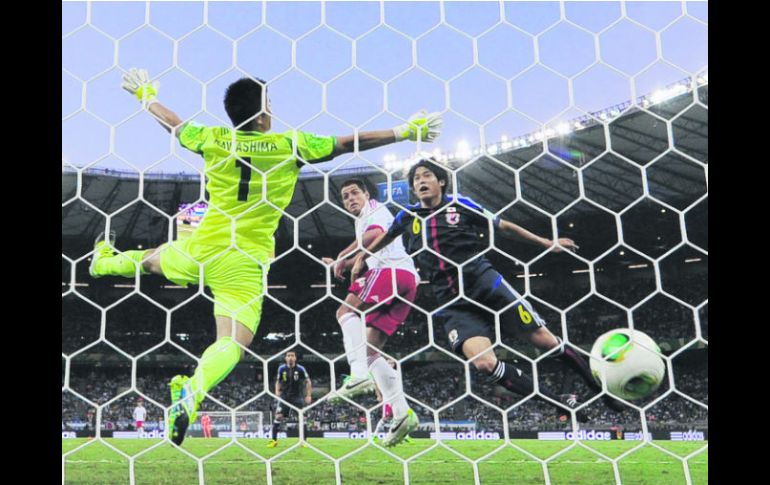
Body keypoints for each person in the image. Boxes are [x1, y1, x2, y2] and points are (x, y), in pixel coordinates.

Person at [89, 67, 442, 446]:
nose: (272, 108)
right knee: (232, 343)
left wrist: (145, 94)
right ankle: (193, 390)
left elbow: (174, 125)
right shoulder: (290, 144)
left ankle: (104, 261)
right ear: (261, 114)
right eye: (269, 103)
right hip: (243, 262)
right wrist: (405, 132)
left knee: (155, 259)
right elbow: (348, 142)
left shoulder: (212, 137)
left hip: (203, 246)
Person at [351, 158, 594, 440]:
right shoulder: (409, 216)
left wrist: (547, 243)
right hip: (451, 302)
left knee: (546, 341)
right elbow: (386, 236)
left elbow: (504, 227)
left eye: (427, 175)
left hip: (484, 284)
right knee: (484, 364)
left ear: (441, 181)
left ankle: (597, 385)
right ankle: (561, 405)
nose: (420, 181)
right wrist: (362, 256)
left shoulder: (460, 204)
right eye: (416, 178)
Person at [267, 351, 312, 448]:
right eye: (288, 356)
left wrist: (308, 395)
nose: (290, 357)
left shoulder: (300, 369)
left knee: (302, 418)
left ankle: (304, 442)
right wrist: (277, 391)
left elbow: (308, 381)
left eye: (292, 355)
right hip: (285, 397)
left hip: (297, 396)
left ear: (295, 358)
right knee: (278, 416)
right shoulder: (281, 368)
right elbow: (278, 381)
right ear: (285, 358)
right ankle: (273, 441)